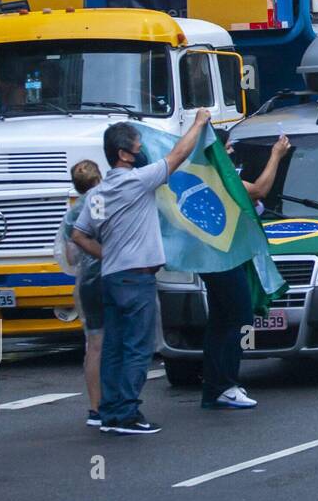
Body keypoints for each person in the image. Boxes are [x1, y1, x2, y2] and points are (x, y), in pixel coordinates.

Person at [71, 109, 213, 435]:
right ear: (123, 155)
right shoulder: (137, 181)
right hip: (137, 278)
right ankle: (127, 415)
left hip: (111, 277)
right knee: (137, 347)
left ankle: (109, 412)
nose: (141, 153)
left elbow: (79, 235)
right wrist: (199, 123)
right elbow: (178, 155)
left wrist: (107, 255)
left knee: (113, 347)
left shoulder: (98, 194)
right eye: (138, 149)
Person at [199, 134, 292, 409]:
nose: (231, 154)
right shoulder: (221, 180)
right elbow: (260, 189)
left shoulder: (204, 177)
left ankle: (214, 387)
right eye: (227, 149)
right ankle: (225, 384)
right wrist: (276, 154)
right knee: (239, 317)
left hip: (215, 258)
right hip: (225, 258)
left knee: (219, 321)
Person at [61, 160, 104, 427]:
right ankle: (117, 401)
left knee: (94, 345)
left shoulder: (72, 213)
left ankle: (95, 407)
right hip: (110, 276)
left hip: (87, 282)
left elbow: (70, 256)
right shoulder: (103, 203)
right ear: (99, 179)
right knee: (120, 341)